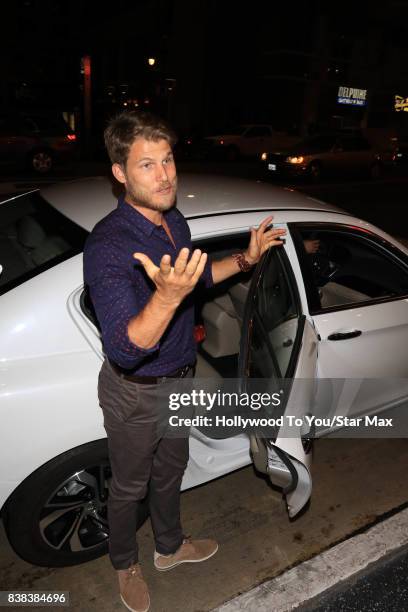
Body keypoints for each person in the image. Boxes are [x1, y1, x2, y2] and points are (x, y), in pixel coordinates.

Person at [83, 110, 286, 612]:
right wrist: (167, 298)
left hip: (180, 378)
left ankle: (169, 548)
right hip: (136, 390)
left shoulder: (174, 220)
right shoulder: (109, 247)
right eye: (147, 165)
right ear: (120, 174)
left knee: (171, 470)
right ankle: (125, 564)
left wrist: (246, 259)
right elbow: (125, 347)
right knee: (128, 487)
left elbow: (198, 278)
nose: (165, 174)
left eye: (168, 160)